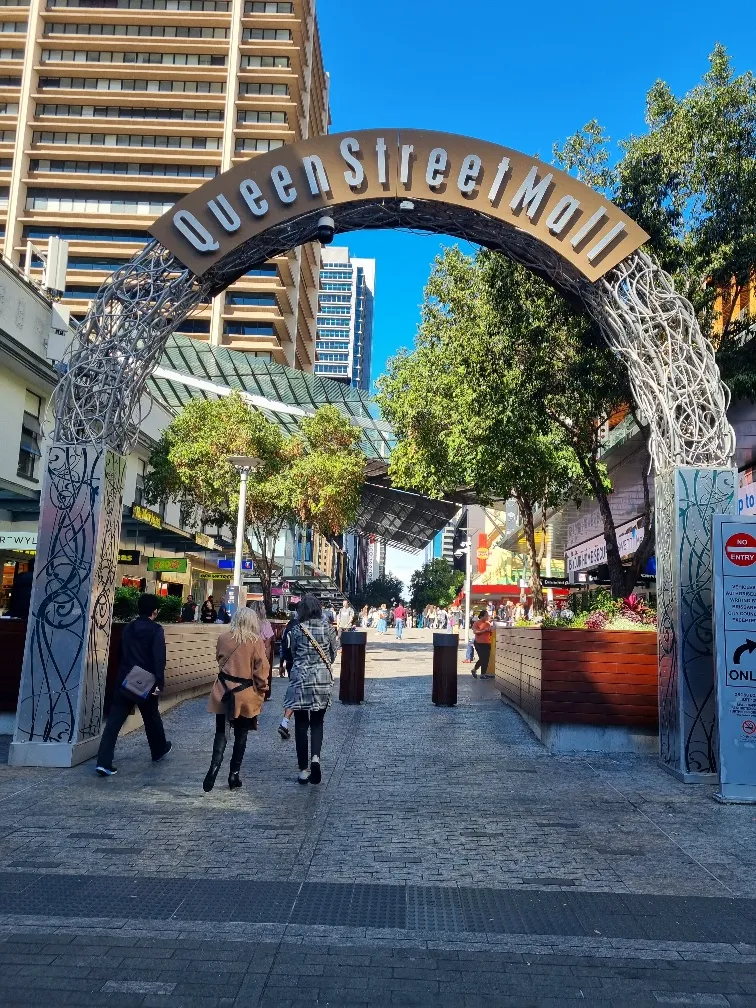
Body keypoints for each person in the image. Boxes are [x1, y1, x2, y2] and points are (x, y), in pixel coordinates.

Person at [96, 593, 171, 776]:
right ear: (155, 611)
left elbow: (120, 653)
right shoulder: (156, 630)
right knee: (151, 717)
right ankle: (158, 749)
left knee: (114, 722)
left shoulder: (128, 628)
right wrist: (159, 682)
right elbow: (158, 659)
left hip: (126, 678)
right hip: (146, 681)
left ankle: (103, 762)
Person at [203, 606, 268, 791]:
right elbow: (261, 670)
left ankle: (214, 768)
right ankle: (234, 775)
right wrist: (262, 690)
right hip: (245, 693)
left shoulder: (223, 638)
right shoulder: (255, 641)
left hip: (222, 690)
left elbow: (219, 658)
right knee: (241, 734)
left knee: (221, 732)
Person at [283, 594, 338, 784]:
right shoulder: (328, 628)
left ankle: (304, 769)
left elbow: (293, 652)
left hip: (300, 679)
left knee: (300, 724)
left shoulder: (297, 630)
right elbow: (334, 651)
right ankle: (315, 757)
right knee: (317, 722)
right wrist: (323, 665)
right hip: (322, 680)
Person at [250, 599, 274, 699]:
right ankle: (263, 693)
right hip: (261, 653)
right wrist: (267, 659)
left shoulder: (248, 624)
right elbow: (268, 644)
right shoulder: (266, 624)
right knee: (262, 675)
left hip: (249, 653)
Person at [471, 609, 494, 679]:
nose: (487, 617)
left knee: (486, 659)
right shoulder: (476, 623)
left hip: (487, 642)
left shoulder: (488, 624)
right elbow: (475, 632)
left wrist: (490, 630)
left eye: (488, 616)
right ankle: (475, 669)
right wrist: (484, 630)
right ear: (481, 616)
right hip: (479, 643)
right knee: (482, 658)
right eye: (486, 616)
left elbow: (491, 633)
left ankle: (483, 674)